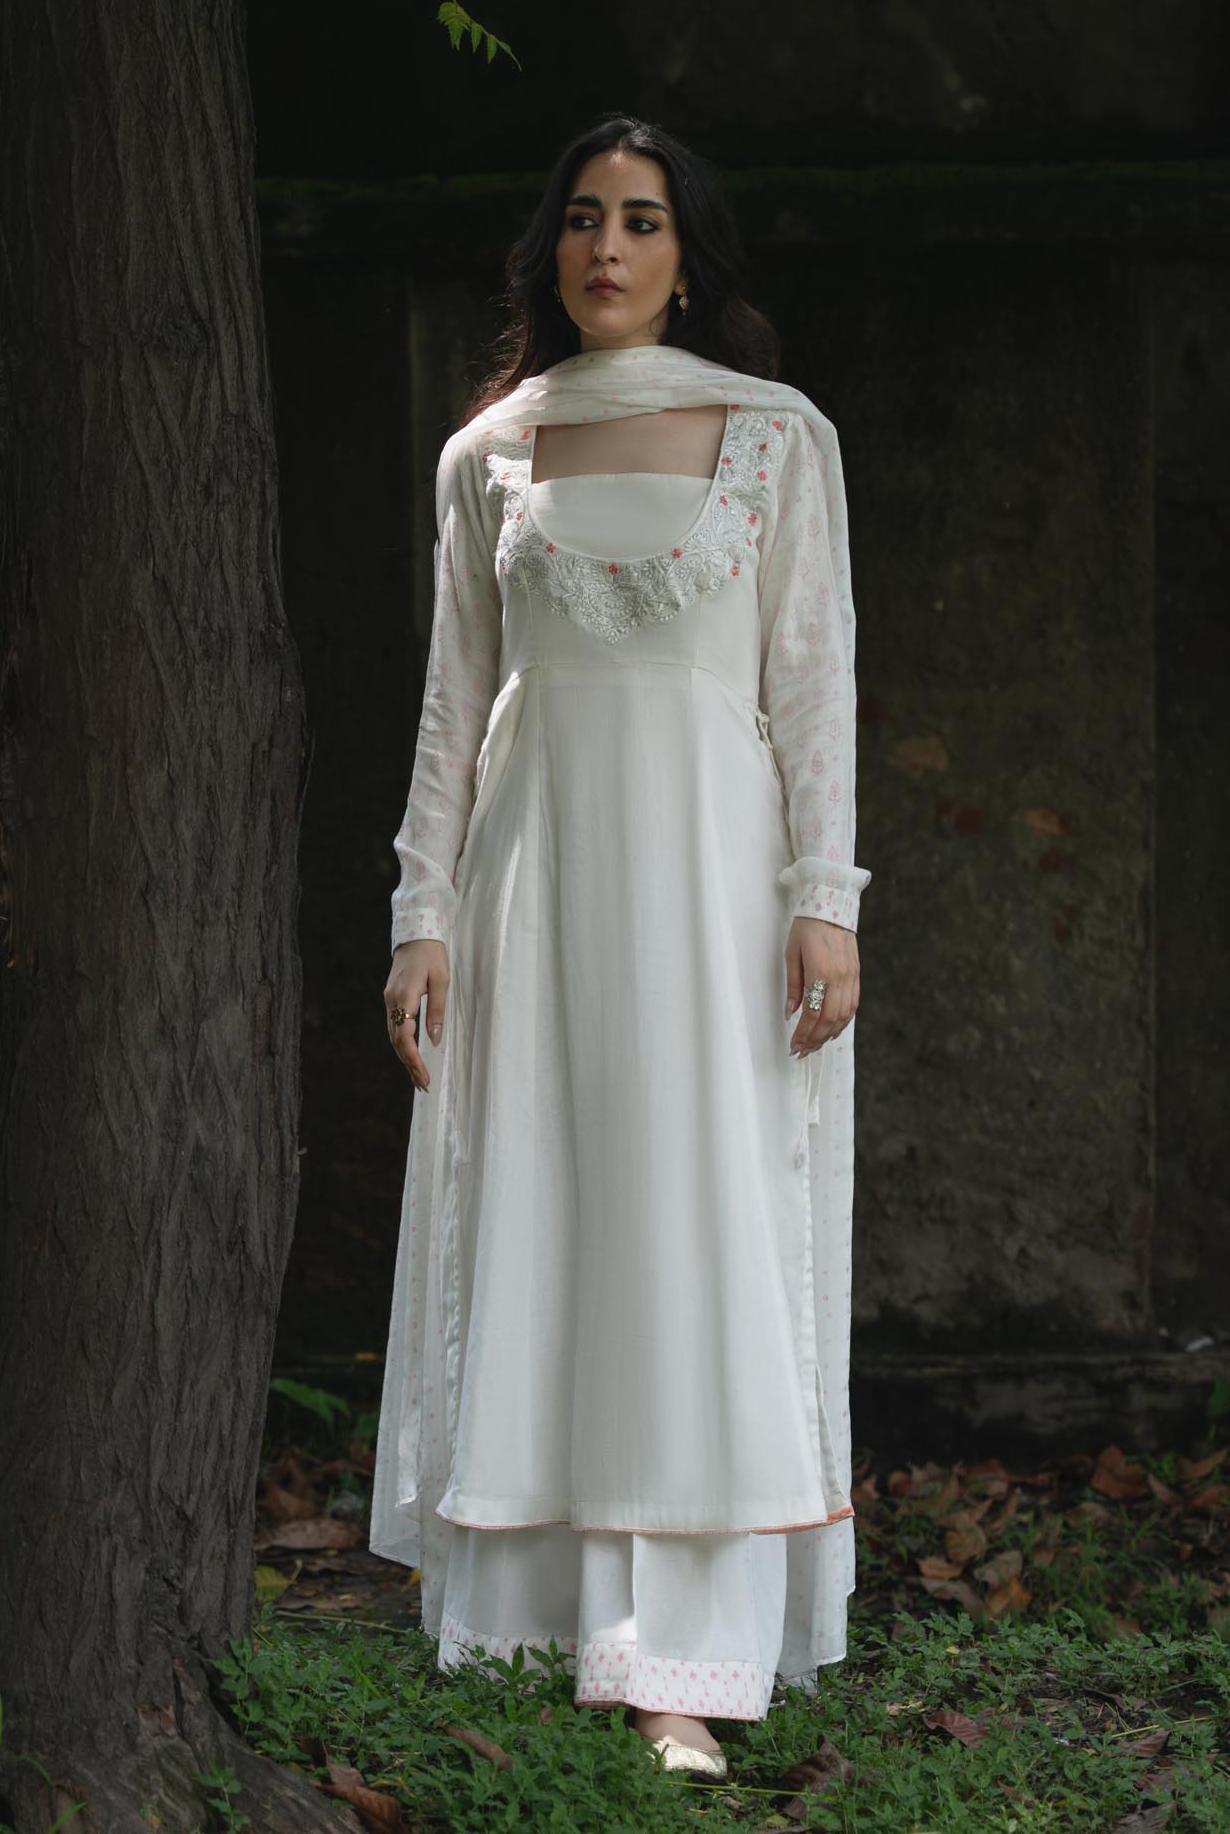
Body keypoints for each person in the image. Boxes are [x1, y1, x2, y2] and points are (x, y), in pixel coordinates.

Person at [369, 112, 871, 1782]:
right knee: (551, 1211)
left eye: (641, 220)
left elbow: (810, 680)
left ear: (687, 254)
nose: (607, 246)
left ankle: (688, 1661)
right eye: (582, 217)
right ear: (550, 247)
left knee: (698, 1222)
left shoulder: (776, 441)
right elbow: (455, 701)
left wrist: (827, 896)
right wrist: (419, 913)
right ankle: (537, 1611)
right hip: (534, 881)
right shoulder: (486, 453)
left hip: (718, 889)